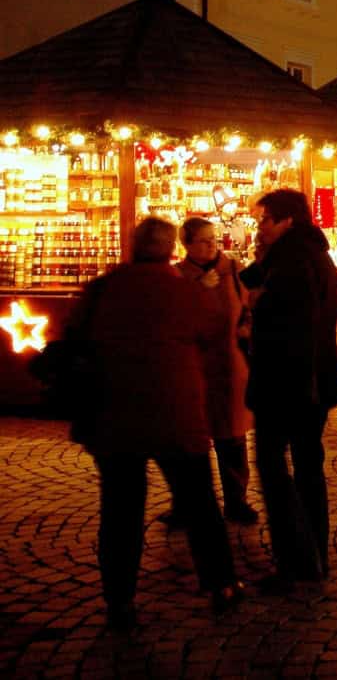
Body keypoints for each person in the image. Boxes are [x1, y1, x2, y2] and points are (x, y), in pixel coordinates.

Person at [78, 217, 241, 629]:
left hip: (115, 413)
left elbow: (76, 335)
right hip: (175, 411)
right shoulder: (181, 292)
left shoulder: (104, 288)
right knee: (200, 501)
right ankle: (220, 583)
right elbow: (212, 328)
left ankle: (120, 598)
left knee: (120, 509)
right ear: (173, 248)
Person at [241, 189, 337, 592]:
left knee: (273, 464)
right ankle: (313, 554)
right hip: (309, 381)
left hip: (288, 383)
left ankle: (296, 559)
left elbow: (292, 324)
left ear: (287, 221)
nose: (258, 227)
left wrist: (255, 313)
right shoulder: (303, 255)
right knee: (306, 466)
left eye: (264, 220)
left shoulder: (293, 261)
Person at [176, 217, 256, 525]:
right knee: (191, 440)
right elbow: (176, 319)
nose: (212, 244)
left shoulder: (233, 270)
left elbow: (249, 307)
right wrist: (197, 289)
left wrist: (247, 327)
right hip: (195, 368)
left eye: (213, 238)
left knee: (232, 437)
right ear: (187, 245)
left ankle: (237, 501)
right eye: (204, 240)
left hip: (230, 364)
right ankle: (188, 504)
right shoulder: (180, 276)